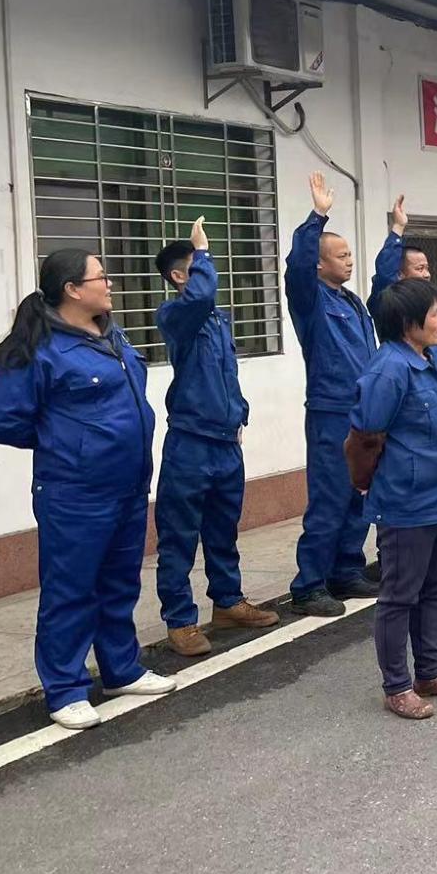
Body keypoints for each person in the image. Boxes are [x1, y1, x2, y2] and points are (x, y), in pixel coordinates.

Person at [0, 249, 177, 730]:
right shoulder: (39, 348)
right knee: (71, 590)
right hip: (75, 491)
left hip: (128, 484)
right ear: (71, 289)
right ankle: (65, 689)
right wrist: (66, 442)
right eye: (100, 277)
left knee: (119, 583)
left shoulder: (110, 335)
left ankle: (121, 669)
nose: (110, 285)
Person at [347, 278, 437, 718]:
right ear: (408, 323)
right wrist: (367, 482)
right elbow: (365, 436)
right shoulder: (389, 370)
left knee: (433, 588)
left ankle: (430, 672)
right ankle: (397, 686)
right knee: (399, 595)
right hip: (407, 502)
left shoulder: (433, 358)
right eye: (435, 314)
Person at [153, 220, 279, 658]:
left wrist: (239, 412)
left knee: (223, 530)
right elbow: (202, 295)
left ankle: (227, 602)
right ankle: (180, 621)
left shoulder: (216, 321)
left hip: (226, 442)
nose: (209, 273)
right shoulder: (175, 317)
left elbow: (225, 375)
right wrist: (202, 250)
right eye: (199, 266)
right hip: (190, 443)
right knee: (179, 536)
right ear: (179, 276)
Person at [285, 172, 378, 616]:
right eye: (341, 256)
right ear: (320, 264)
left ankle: (346, 569)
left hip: (363, 411)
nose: (349, 261)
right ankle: (309, 584)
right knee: (330, 496)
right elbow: (296, 269)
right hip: (331, 411)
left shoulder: (352, 302)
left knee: (359, 492)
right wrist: (317, 218)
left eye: (350, 254)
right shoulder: (311, 300)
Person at [367, 194, 430, 312]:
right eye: (420, 269)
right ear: (400, 275)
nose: (427, 275)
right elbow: (386, 272)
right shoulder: (392, 302)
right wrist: (398, 227)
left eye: (427, 268)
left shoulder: (432, 302)